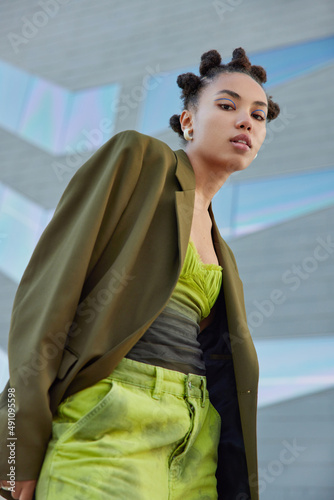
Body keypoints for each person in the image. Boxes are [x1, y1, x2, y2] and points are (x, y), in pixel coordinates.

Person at [0, 48, 280, 500]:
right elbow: (46, 299)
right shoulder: (139, 159)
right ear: (188, 122)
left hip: (195, 441)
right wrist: (14, 453)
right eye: (227, 106)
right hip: (110, 420)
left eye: (259, 115)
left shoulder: (222, 249)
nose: (246, 121)